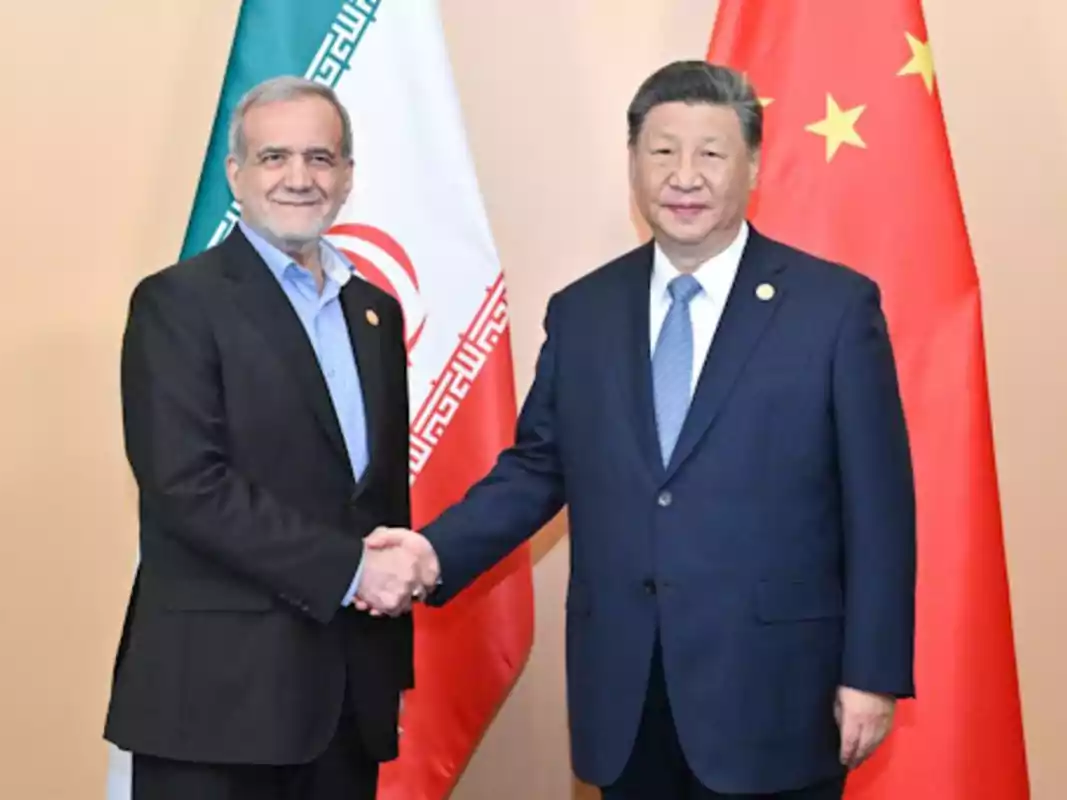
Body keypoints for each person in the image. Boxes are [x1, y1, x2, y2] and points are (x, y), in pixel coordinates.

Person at [362, 61, 917, 799]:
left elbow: (879, 506)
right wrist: (432, 552)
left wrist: (872, 673)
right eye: (662, 152)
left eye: (711, 153)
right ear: (633, 164)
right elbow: (537, 469)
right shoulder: (584, 311)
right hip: (625, 693)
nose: (684, 175)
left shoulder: (833, 309)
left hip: (777, 692)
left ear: (751, 165)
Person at [103, 76, 424, 800]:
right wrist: (352, 569)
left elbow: (376, 494)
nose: (299, 178)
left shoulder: (374, 311)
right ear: (236, 176)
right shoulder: (177, 302)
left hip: (348, 697)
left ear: (346, 177)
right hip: (217, 702)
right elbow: (188, 486)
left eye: (320, 158)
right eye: (274, 157)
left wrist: (391, 598)